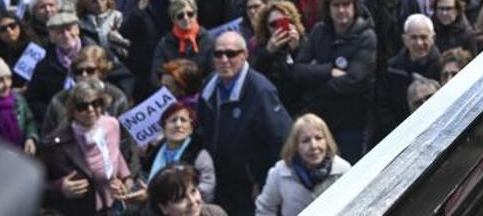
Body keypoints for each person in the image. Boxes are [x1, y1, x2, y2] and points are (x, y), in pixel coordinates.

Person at [196, 30, 291, 216]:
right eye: (218, 54)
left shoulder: (260, 90)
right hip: (219, 181)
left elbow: (280, 140)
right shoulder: (209, 86)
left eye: (231, 54)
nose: (224, 59)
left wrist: (264, 184)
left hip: (249, 186)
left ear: (245, 54)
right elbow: (202, 128)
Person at [293, 0, 376, 163]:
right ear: (328, 9)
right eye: (336, 5)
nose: (341, 10)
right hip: (320, 119)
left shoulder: (366, 36)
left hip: (352, 121)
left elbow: (354, 80)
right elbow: (298, 70)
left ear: (354, 7)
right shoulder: (318, 32)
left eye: (346, 5)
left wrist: (314, 83)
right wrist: (328, 70)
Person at [40, 78, 135, 216]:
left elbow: (115, 153)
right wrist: (60, 188)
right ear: (72, 110)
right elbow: (37, 184)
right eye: (82, 106)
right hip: (78, 210)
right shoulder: (55, 142)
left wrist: (126, 179)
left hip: (113, 206)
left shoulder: (112, 125)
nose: (90, 110)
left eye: (96, 103)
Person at [255, 113, 352, 216]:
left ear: (327, 141)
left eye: (319, 138)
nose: (314, 146)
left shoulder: (343, 170)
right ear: (295, 146)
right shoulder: (280, 172)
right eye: (305, 140)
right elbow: (265, 209)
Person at [377, 13, 442, 139]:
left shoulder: (443, 67)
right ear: (405, 40)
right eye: (413, 38)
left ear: (433, 38)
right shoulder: (392, 69)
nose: (419, 43)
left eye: (424, 37)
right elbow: (383, 107)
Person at [138, 102, 216, 203]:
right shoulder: (152, 154)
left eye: (183, 120)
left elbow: (206, 191)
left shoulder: (200, 156)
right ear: (164, 128)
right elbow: (141, 183)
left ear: (191, 129)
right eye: (173, 120)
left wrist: (158, 197)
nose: (178, 125)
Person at [150, 0, 215, 86]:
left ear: (196, 15)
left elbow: (214, 74)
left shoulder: (209, 41)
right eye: (180, 16)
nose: (186, 18)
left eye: (190, 14)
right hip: (175, 94)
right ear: (173, 20)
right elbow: (156, 77)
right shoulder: (164, 45)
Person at [145, 163, 226, 216]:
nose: (192, 201)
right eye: (180, 198)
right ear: (163, 208)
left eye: (193, 191)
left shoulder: (214, 213)